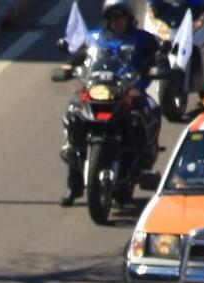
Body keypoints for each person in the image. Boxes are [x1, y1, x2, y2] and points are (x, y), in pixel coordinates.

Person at [61, 0, 161, 206]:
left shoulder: (143, 39)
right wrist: (68, 67)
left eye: (121, 16)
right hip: (98, 90)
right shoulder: (96, 37)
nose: (117, 21)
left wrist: (159, 68)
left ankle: (141, 163)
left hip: (129, 91)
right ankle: (74, 186)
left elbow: (158, 57)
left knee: (149, 111)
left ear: (129, 18)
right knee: (74, 114)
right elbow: (81, 55)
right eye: (113, 17)